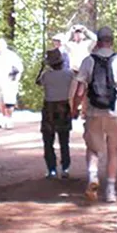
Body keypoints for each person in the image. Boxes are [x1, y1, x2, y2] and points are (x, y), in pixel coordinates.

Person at [72, 26, 117, 203]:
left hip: (93, 110)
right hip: (114, 110)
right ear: (111, 41)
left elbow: (79, 91)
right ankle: (111, 190)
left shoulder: (88, 61)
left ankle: (92, 179)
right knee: (112, 149)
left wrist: (74, 109)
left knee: (93, 147)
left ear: (97, 42)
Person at [37, 48, 74, 179]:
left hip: (49, 108)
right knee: (64, 141)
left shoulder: (46, 75)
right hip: (64, 107)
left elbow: (38, 83)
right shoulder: (69, 74)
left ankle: (51, 169)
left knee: (48, 141)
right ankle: (65, 168)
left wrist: (41, 68)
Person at [0, 38, 23, 129]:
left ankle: (9, 119)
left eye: (0, 45)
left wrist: (15, 76)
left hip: (8, 81)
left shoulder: (11, 56)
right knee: (0, 101)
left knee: (9, 101)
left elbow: (19, 68)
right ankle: (3, 119)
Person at [65, 24, 96, 117]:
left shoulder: (87, 44)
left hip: (85, 71)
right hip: (74, 71)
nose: (78, 35)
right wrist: (70, 31)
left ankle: (84, 112)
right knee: (72, 93)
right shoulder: (71, 45)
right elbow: (63, 41)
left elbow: (95, 39)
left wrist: (86, 30)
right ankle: (71, 111)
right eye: (76, 33)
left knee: (84, 93)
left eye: (80, 33)